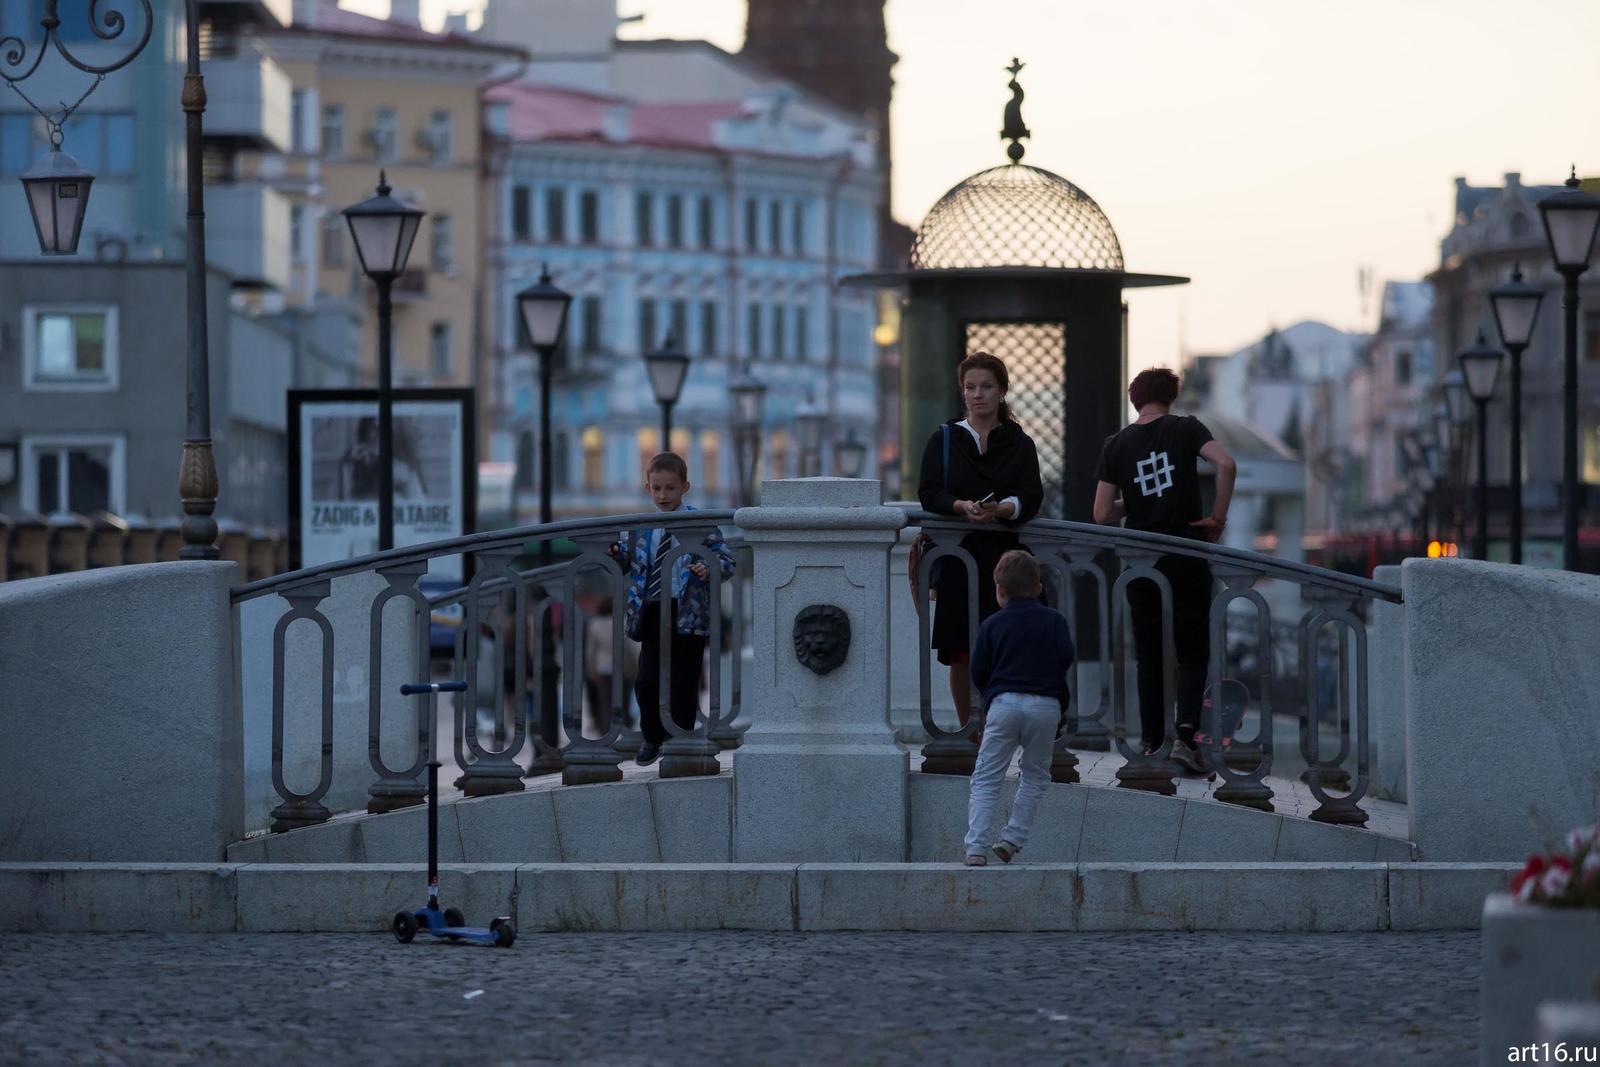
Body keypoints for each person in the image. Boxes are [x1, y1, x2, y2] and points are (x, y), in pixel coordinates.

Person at [1092, 368, 1237, 772]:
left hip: (1141, 560)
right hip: (1186, 551)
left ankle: (1151, 741)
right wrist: (1217, 518)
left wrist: (1136, 503)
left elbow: (1102, 512)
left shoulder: (1115, 444)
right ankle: (1186, 737)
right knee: (1192, 651)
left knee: (1149, 653)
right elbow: (1225, 465)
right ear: (1171, 397)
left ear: (1135, 398)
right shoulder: (1186, 429)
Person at [917, 351, 1045, 727]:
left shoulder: (1020, 443)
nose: (978, 394)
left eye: (986, 387)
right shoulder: (944, 439)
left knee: (1008, 646)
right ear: (962, 391)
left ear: (1001, 391)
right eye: (970, 387)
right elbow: (928, 492)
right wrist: (960, 505)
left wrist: (1003, 509)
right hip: (957, 557)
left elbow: (1032, 496)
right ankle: (969, 729)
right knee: (960, 650)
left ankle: (999, 725)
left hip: (1005, 559)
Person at [611, 452, 736, 767]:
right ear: (647, 488)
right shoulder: (641, 527)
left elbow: (725, 558)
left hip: (688, 610)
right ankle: (652, 735)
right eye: (657, 488)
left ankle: (681, 737)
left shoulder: (698, 523)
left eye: (670, 488)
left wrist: (710, 568)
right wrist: (616, 554)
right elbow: (630, 561)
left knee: (685, 677)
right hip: (653, 608)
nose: (663, 495)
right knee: (646, 679)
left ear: (685, 487)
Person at [964, 550, 1075, 866]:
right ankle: (1013, 838)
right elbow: (1066, 655)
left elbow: (978, 670)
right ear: (1039, 587)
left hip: (1004, 703)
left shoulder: (992, 624)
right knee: (1035, 774)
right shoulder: (1054, 621)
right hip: (1045, 706)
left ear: (999, 591)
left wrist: (991, 695)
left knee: (987, 776)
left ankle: (975, 848)